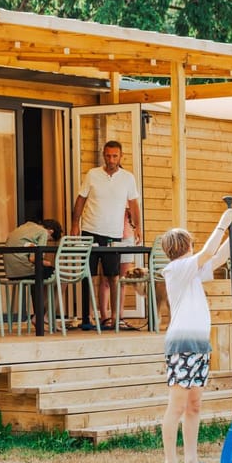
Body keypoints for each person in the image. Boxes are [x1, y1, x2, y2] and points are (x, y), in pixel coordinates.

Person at [158, 205, 232, 463]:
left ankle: (191, 461)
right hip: (182, 347)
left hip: (198, 346)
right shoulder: (176, 269)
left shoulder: (192, 270)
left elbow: (219, 256)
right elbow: (209, 251)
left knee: (194, 405)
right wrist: (223, 222)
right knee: (176, 406)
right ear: (186, 246)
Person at [70, 141, 142, 329]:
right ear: (104, 155)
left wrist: (138, 227)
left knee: (113, 276)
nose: (111, 160)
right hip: (90, 229)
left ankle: (115, 317)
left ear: (121, 156)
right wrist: (74, 224)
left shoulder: (128, 178)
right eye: (108, 156)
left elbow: (134, 204)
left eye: (115, 156)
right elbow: (81, 199)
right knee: (89, 275)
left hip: (113, 233)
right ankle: (91, 317)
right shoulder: (93, 174)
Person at [2, 219, 63, 322]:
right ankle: (45, 315)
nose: (46, 241)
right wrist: (47, 263)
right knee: (61, 276)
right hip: (26, 270)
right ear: (51, 231)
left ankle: (39, 314)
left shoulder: (23, 227)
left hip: (11, 273)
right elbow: (34, 258)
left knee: (43, 277)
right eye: (49, 240)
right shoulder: (42, 232)